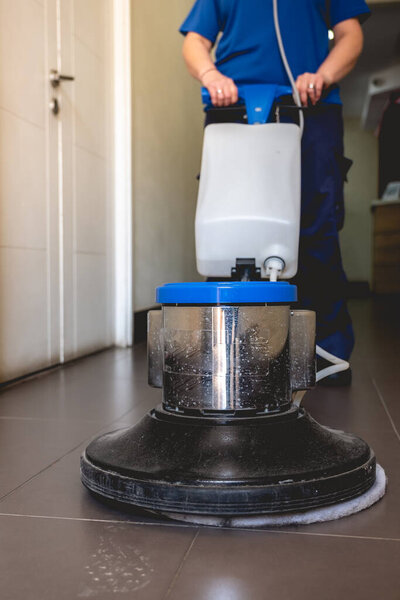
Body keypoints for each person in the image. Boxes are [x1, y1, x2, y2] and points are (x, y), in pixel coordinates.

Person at [180, 0, 370, 386]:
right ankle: (235, 349)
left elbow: (351, 34)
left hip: (309, 105)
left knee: (316, 227)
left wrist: (323, 75)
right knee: (231, 228)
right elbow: (195, 40)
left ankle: (325, 352)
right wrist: (210, 74)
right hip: (232, 108)